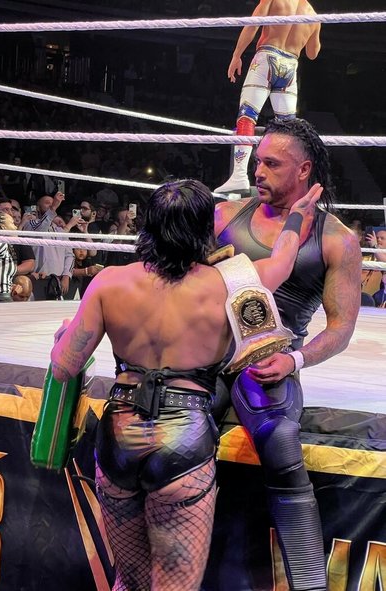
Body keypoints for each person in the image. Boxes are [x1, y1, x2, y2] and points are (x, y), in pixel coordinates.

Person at [50, 178, 322, 591]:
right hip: (183, 437)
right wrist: (297, 215)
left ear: (149, 225)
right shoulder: (230, 283)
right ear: (205, 230)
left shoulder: (109, 282)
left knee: (130, 583)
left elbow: (63, 367)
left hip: (120, 434)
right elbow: (283, 261)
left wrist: (63, 336)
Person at [214, 118, 362, 591]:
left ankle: (311, 585)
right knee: (174, 430)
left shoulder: (337, 239)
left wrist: (295, 361)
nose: (258, 171)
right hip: (207, 352)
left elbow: (340, 327)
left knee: (280, 442)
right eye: (257, 161)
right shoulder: (224, 216)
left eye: (272, 164)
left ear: (303, 170)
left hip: (270, 360)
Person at [215, 0, 321, 195]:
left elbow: (253, 24)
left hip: (266, 57)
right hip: (291, 66)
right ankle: (288, 181)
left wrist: (237, 55)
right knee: (288, 128)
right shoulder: (313, 15)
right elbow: (312, 53)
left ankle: (239, 175)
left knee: (247, 115)